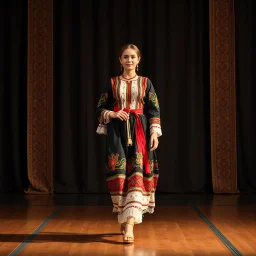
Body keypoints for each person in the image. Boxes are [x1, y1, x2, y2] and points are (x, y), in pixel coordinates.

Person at [96, 44, 162, 243]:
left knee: (137, 173)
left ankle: (130, 223)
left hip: (139, 131)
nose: (129, 60)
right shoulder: (112, 83)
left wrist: (154, 134)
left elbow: (154, 109)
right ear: (120, 60)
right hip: (117, 132)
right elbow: (100, 107)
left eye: (133, 57)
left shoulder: (145, 83)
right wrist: (113, 113)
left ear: (139, 60)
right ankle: (123, 217)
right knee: (120, 173)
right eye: (125, 57)